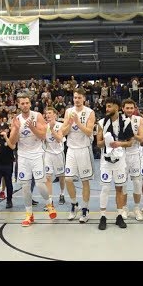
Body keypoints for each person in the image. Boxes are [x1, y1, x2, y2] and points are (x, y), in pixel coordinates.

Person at [9, 92, 56, 227]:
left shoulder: (37, 116)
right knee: (25, 186)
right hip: (23, 156)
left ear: (30, 103)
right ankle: (29, 214)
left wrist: (32, 127)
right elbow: (12, 143)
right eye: (22, 103)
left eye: (27, 103)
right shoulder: (16, 119)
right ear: (18, 105)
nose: (25, 105)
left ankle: (49, 204)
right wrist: (16, 130)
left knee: (41, 184)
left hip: (37, 154)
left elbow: (43, 136)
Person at [96, 97, 134, 230]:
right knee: (105, 188)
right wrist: (106, 143)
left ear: (117, 107)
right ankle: (103, 216)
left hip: (120, 161)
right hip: (106, 161)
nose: (107, 109)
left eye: (110, 106)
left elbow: (130, 142)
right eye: (106, 106)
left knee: (119, 188)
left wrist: (119, 143)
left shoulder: (126, 121)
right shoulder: (101, 122)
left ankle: (119, 216)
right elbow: (98, 143)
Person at [60, 88, 96, 223]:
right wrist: (69, 123)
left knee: (85, 181)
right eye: (75, 97)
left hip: (84, 149)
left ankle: (85, 210)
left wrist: (77, 122)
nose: (77, 100)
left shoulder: (90, 112)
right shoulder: (68, 111)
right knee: (68, 179)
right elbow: (63, 132)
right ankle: (74, 204)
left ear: (84, 99)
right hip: (71, 149)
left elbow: (88, 132)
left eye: (79, 97)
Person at [121, 99, 143, 221]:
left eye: (132, 108)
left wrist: (132, 135)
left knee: (136, 182)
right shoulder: (118, 120)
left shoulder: (139, 120)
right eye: (127, 108)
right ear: (123, 108)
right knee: (123, 183)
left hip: (135, 154)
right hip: (122, 155)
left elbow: (141, 139)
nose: (129, 110)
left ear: (135, 109)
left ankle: (136, 208)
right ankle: (124, 208)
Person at [43, 107, 66, 205]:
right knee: (48, 177)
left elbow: (59, 139)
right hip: (48, 154)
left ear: (55, 115)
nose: (47, 115)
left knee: (61, 176)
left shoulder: (60, 125)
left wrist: (51, 130)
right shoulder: (44, 126)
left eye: (49, 113)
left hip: (59, 154)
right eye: (46, 113)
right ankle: (50, 200)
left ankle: (62, 194)